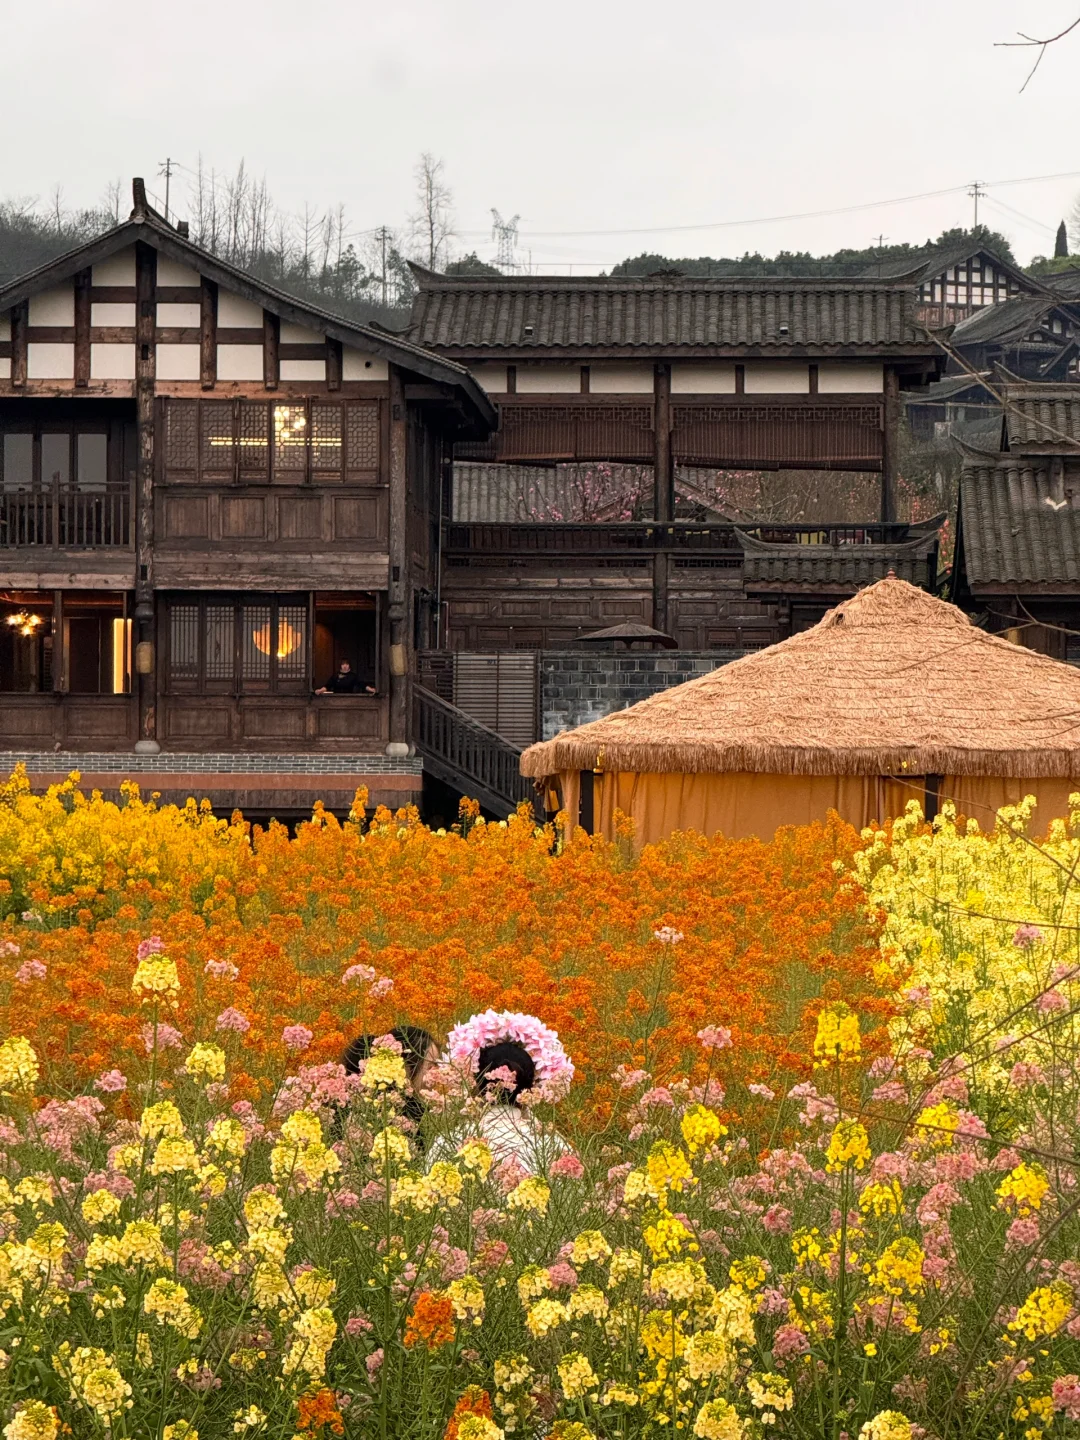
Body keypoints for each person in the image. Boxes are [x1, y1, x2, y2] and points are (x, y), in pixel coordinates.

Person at [342, 1025, 439, 1144]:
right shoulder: (373, 1114)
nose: (436, 1075)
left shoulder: (417, 1114)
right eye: (430, 1067)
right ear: (405, 1068)